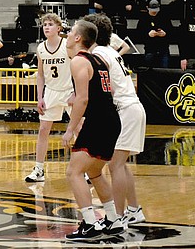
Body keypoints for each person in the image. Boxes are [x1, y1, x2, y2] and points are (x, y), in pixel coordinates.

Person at [62, 20, 122, 241]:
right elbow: (110, 90)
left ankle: (89, 223)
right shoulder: (99, 59)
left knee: (73, 172)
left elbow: (83, 98)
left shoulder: (79, 61)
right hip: (112, 120)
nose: (67, 34)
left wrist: (70, 130)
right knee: (94, 172)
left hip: (98, 122)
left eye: (70, 32)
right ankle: (113, 219)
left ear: (78, 38)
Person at [85, 14, 147, 233]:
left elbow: (108, 88)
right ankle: (134, 210)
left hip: (125, 109)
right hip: (131, 107)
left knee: (115, 165)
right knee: (120, 163)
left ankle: (117, 217)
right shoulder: (109, 50)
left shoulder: (99, 53)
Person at [24, 13, 73, 184]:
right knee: (44, 129)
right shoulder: (41, 48)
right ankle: (39, 170)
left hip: (69, 90)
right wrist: (39, 97)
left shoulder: (68, 45)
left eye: (50, 24)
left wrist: (77, 91)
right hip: (51, 91)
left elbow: (79, 67)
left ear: (59, 28)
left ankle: (84, 169)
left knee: (80, 128)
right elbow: (40, 76)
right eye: (44, 24)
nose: (46, 27)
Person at [136, 0, 172, 68]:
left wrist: (165, 34)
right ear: (147, 8)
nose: (154, 12)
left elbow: (171, 32)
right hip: (150, 49)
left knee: (165, 71)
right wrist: (148, 35)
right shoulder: (143, 19)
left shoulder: (165, 18)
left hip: (163, 49)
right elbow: (138, 35)